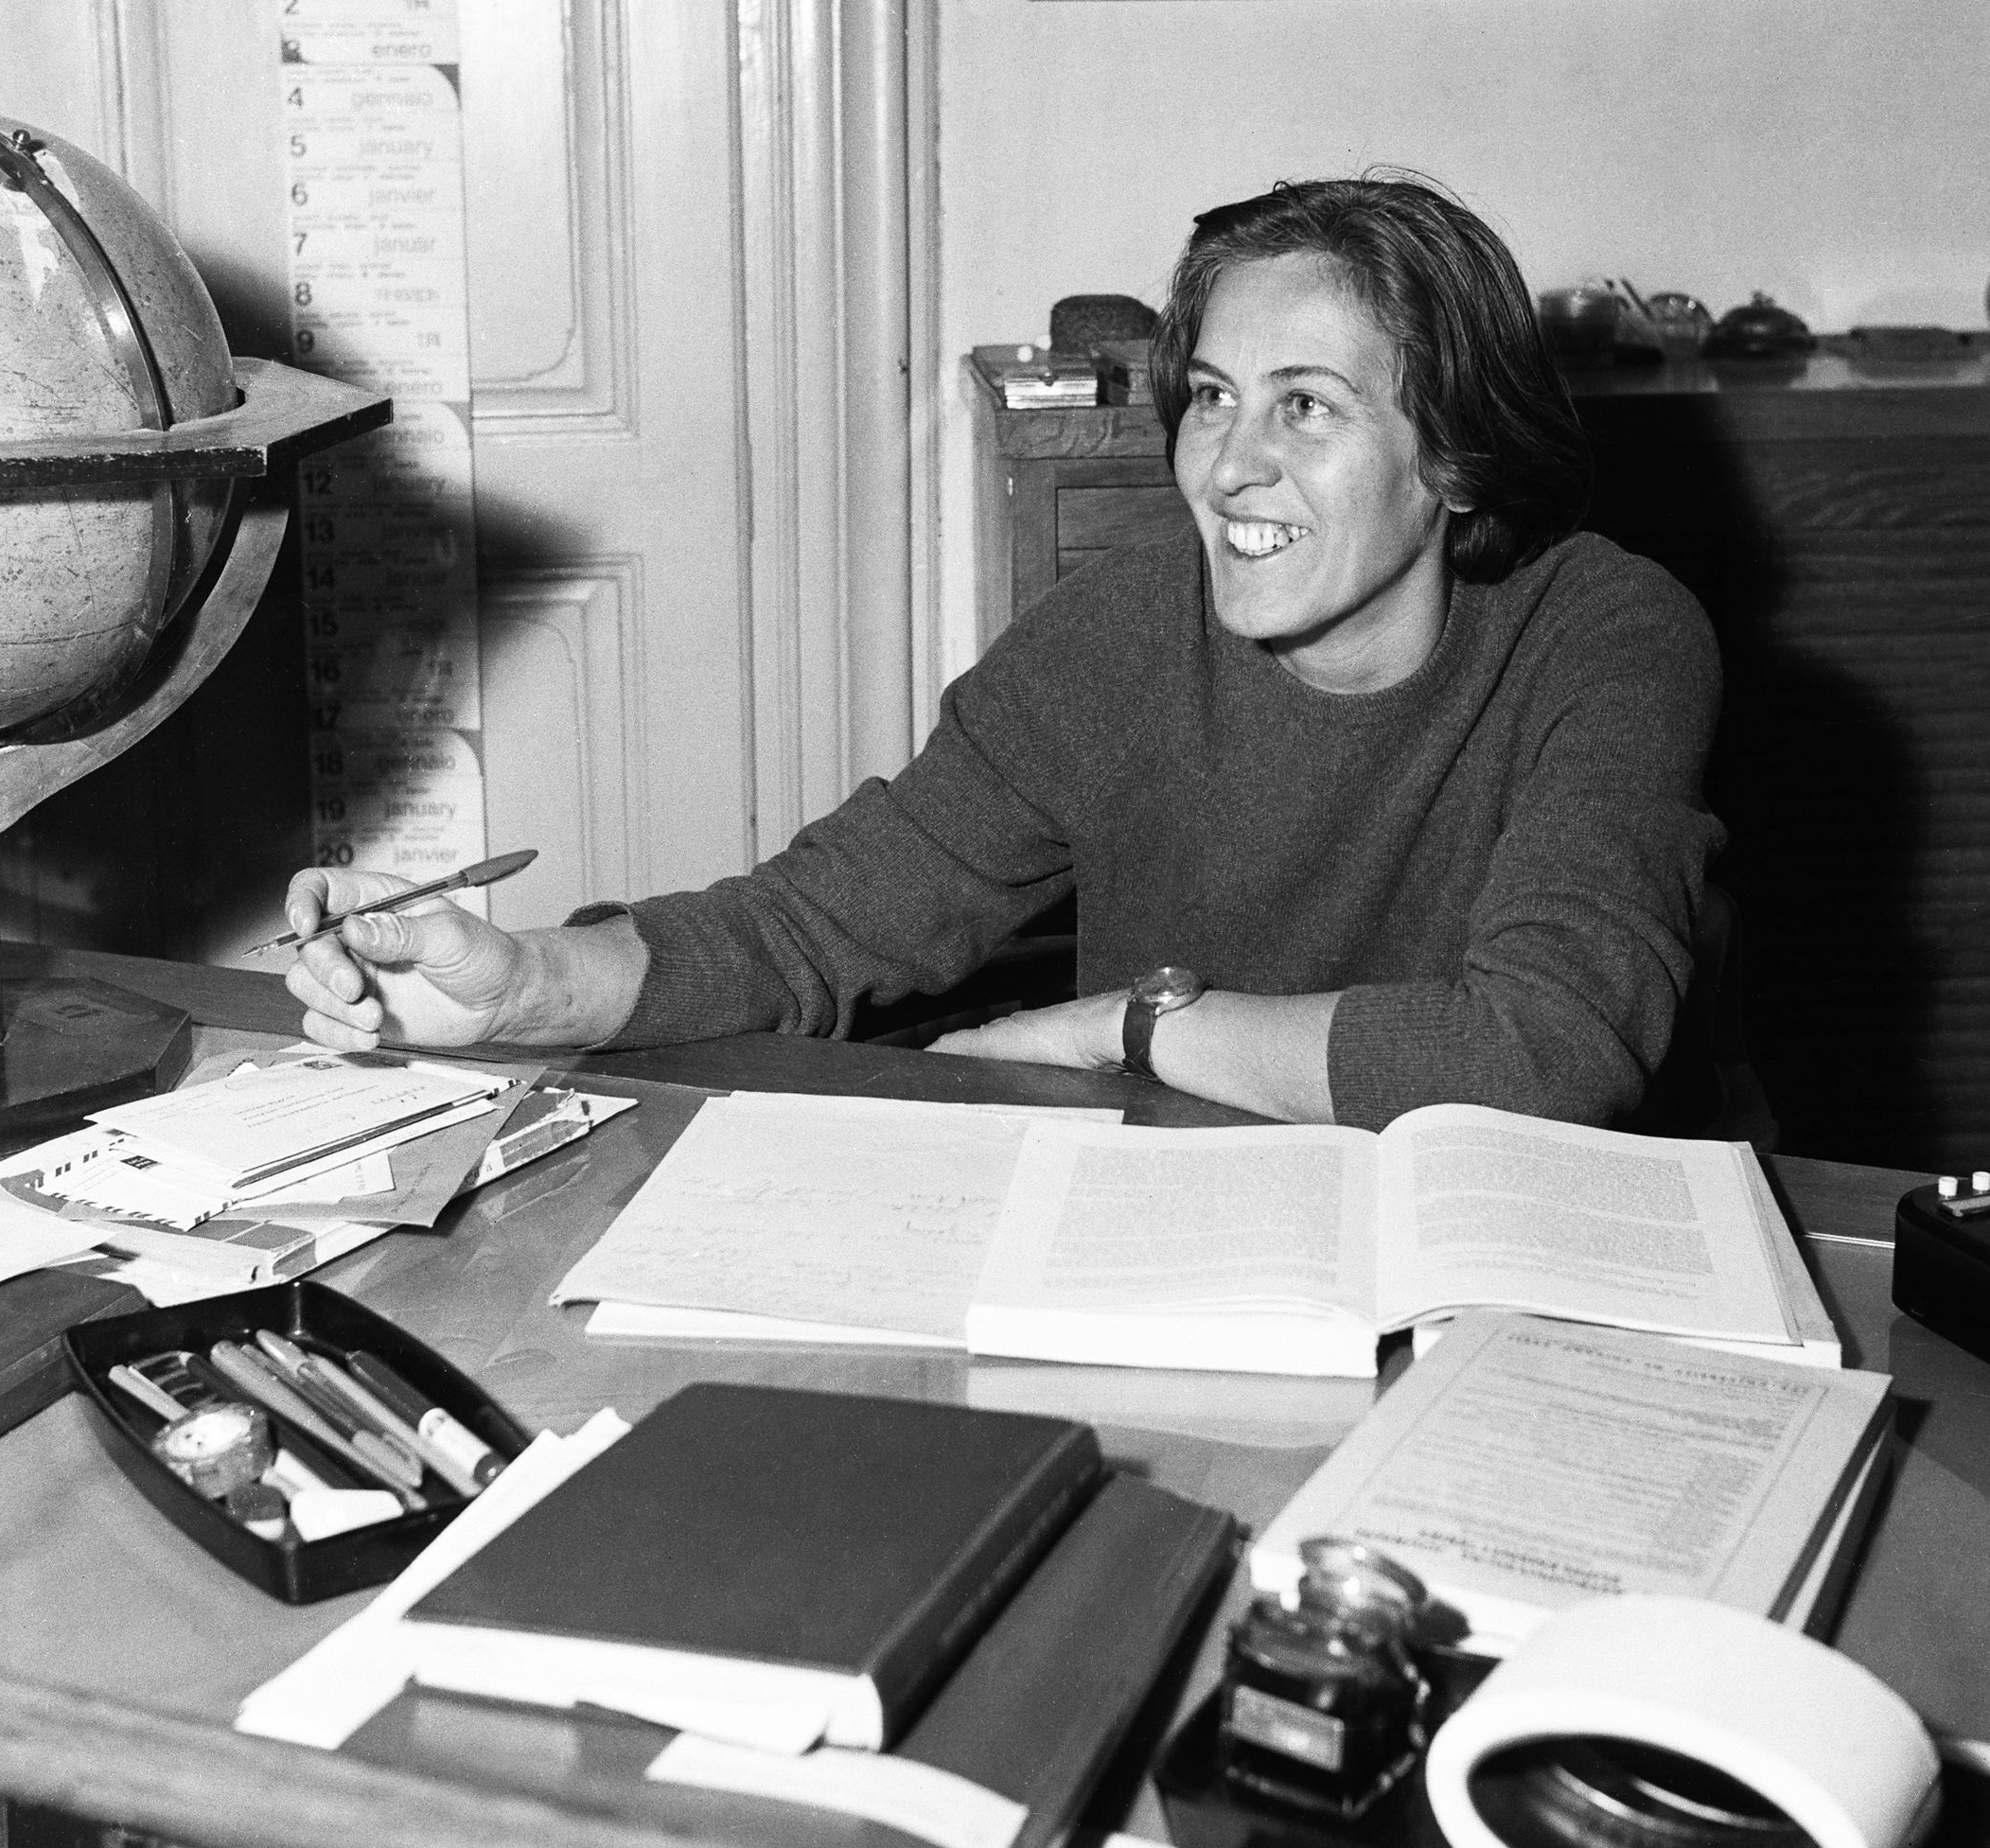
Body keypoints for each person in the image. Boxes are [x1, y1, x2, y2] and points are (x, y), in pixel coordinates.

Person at [286, 176, 1722, 1132]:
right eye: (1211, 396)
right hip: (1215, 1219)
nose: (1229, 465)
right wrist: (522, 983)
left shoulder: (1609, 638)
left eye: (1307, 407)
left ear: (1457, 457)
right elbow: (816, 925)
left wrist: (1128, 1031)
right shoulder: (1120, 631)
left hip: (1527, 1238)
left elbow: (1545, 1051)